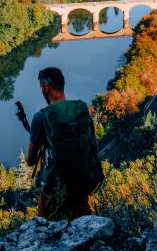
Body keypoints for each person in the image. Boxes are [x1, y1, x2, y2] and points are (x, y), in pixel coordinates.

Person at [26, 67, 104, 221]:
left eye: (41, 87)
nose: (41, 90)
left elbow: (30, 161)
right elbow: (94, 147)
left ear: (47, 87)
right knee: (82, 224)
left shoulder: (41, 117)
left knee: (48, 228)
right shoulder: (81, 111)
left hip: (53, 189)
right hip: (79, 183)